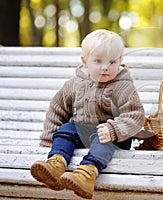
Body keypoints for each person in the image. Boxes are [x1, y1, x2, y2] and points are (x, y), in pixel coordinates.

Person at [30, 29, 145, 199]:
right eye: (98, 61)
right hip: (85, 130)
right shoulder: (76, 83)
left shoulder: (123, 86)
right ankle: (56, 164)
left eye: (112, 62)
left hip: (115, 136)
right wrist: (48, 139)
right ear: (85, 61)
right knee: (68, 128)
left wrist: (113, 129)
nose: (105, 67)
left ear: (120, 61)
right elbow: (57, 107)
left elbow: (135, 115)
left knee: (103, 137)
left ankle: (86, 173)